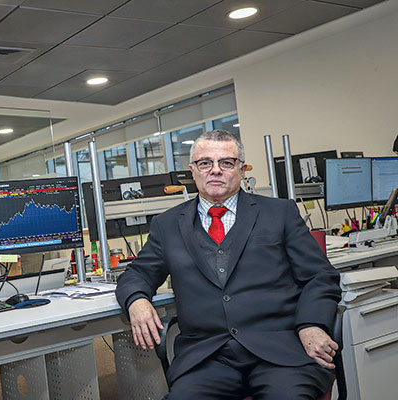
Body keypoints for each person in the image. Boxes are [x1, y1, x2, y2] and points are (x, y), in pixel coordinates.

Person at [115, 129, 341, 399]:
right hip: (207, 359)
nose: (215, 170)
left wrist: (311, 324)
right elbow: (136, 274)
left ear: (241, 169)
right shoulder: (167, 225)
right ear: (193, 170)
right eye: (205, 163)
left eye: (226, 162)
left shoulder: (279, 213)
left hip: (280, 351)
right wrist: (137, 301)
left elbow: (320, 276)